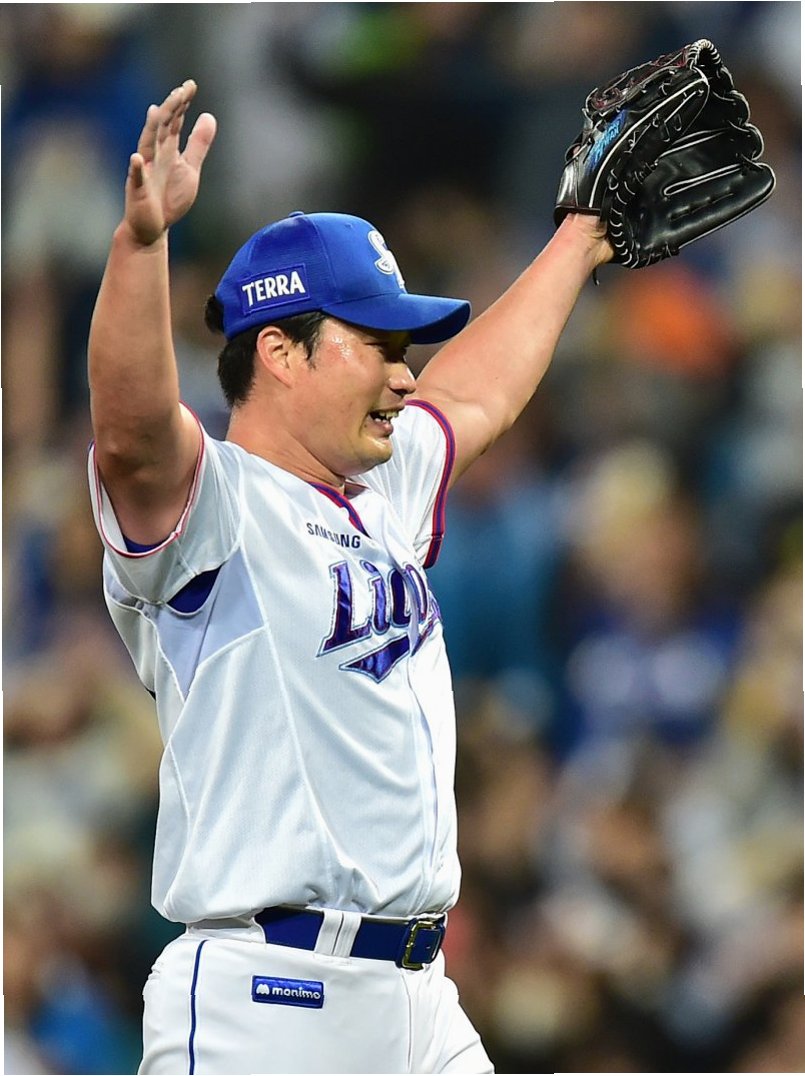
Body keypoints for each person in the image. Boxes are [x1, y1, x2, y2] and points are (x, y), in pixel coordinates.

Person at [87, 79, 612, 1076]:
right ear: (281, 352)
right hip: (269, 999)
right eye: (377, 344)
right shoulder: (214, 505)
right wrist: (142, 247)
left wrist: (580, 238)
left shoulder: (381, 489)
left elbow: (477, 394)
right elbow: (131, 433)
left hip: (419, 994)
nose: (405, 373)